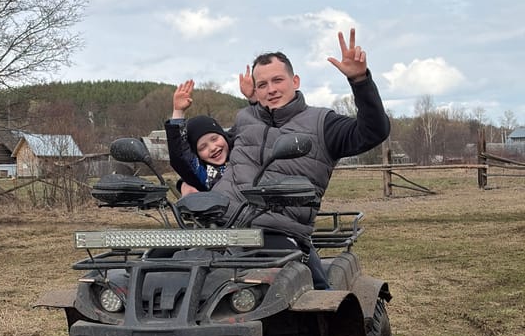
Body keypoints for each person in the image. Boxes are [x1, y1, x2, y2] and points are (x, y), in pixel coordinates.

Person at [212, 28, 390, 288]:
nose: (271, 90)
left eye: (278, 80)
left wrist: (360, 81)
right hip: (219, 228)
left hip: (278, 234)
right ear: (255, 92)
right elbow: (209, 152)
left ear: (295, 81)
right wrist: (178, 118)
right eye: (262, 85)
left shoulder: (321, 124)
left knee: (319, 305)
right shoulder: (244, 119)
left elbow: (373, 132)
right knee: (156, 265)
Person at [164, 79, 231, 196]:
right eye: (202, 147)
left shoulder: (242, 156)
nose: (212, 148)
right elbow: (180, 156)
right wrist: (178, 112)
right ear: (197, 154)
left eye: (214, 139)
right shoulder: (205, 175)